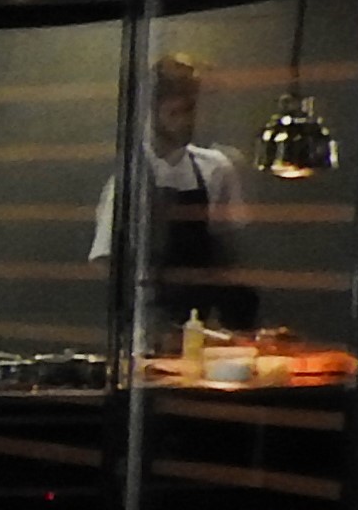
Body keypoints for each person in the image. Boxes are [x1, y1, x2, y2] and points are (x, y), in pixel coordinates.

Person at [88, 51, 253, 330]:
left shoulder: (216, 168)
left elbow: (229, 252)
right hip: (150, 323)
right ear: (153, 113)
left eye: (193, 111)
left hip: (203, 322)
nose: (188, 121)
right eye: (176, 112)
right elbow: (106, 260)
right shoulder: (129, 178)